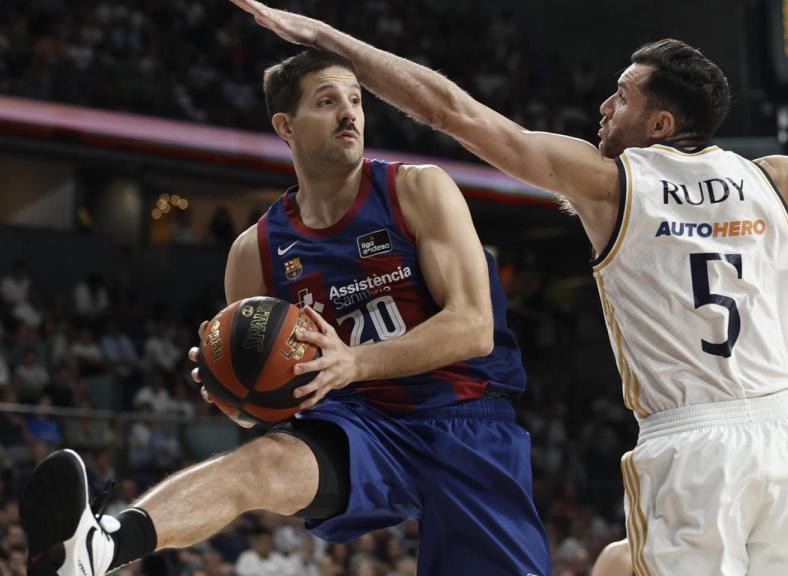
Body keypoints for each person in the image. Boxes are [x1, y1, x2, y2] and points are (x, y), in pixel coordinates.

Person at [226, 2, 788, 574]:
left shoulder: (611, 184)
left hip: (694, 444)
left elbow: (452, 110)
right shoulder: (773, 178)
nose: (606, 104)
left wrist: (329, 41)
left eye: (624, 95)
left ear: (661, 125)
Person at [20, 50, 550, 576]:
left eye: (356, 100)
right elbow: (266, 408)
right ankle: (101, 547)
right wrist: (236, 395)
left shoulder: (416, 188)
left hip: (464, 420)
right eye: (327, 101)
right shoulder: (255, 252)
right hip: (360, 426)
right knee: (260, 462)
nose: (349, 113)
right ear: (285, 126)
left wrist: (355, 363)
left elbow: (473, 327)